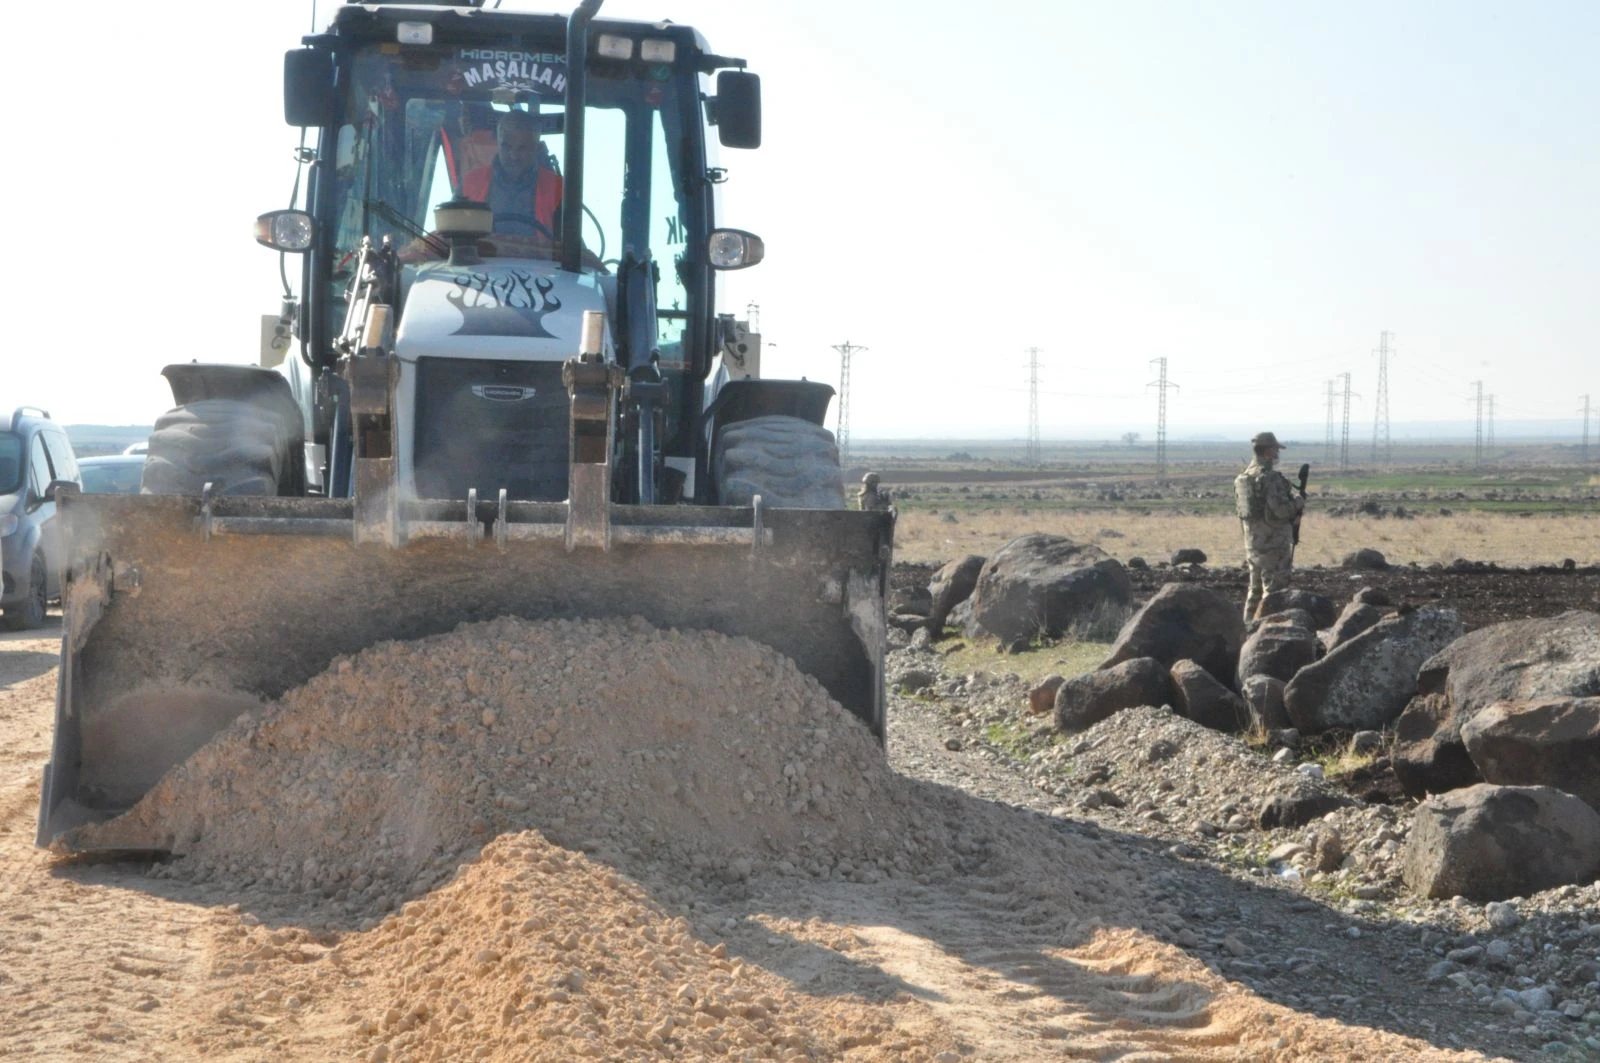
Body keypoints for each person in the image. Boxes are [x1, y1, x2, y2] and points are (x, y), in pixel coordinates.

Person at [1234, 431, 1304, 621]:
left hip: (1253, 543)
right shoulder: (1269, 478)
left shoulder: (1243, 478)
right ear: (1267, 452)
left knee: (1254, 591)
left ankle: (1247, 629)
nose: (1277, 454)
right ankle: (1266, 632)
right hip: (1274, 545)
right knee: (1274, 593)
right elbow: (1281, 511)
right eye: (1274, 450)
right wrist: (1298, 502)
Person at [461, 109, 563, 239]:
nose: (514, 156)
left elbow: (570, 249)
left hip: (538, 259)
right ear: (497, 143)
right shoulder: (470, 184)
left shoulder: (557, 189)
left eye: (522, 148)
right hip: (482, 259)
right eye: (507, 147)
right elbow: (449, 231)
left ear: (536, 148)